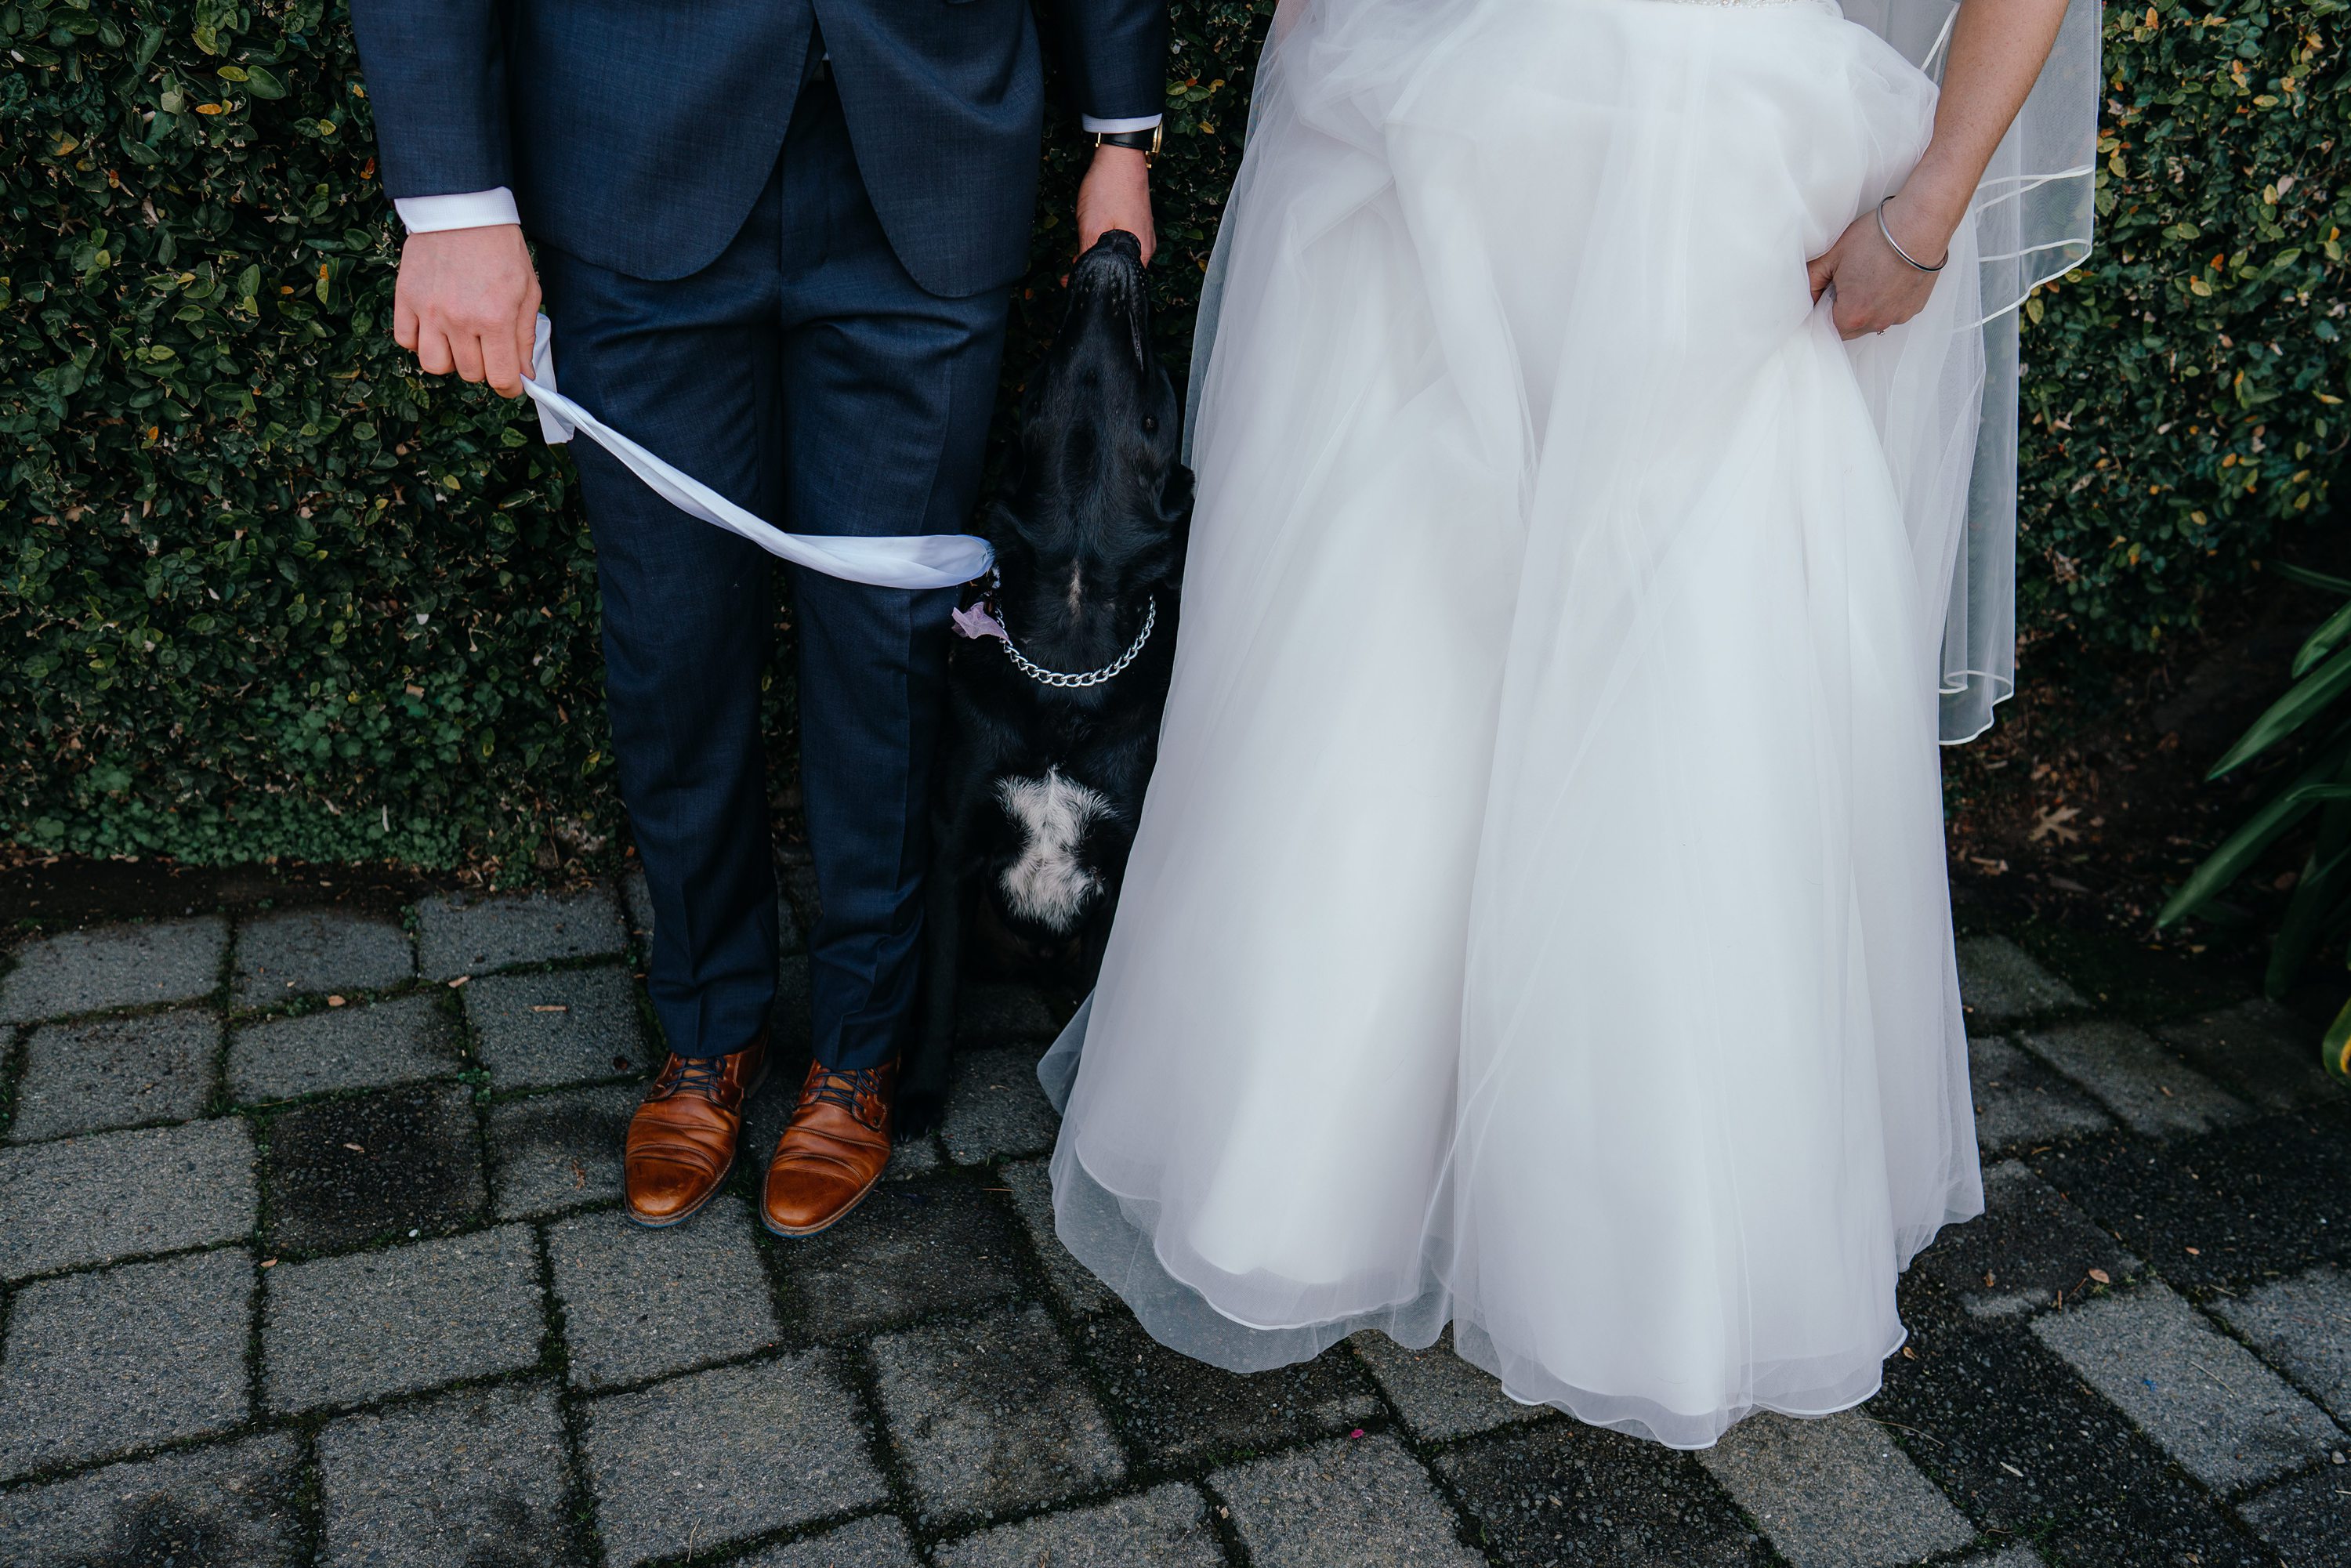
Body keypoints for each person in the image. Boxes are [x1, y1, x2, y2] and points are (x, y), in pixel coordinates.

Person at [1040, 0, 2099, 1447]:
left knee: (1675, 657)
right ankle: (1323, 1161)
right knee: (1399, 627)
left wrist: (1928, 205)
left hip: (1718, 160)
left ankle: (1628, 1243)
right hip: (1443, 110)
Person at [349, 0, 1166, 1239]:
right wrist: (455, 199)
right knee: (670, 639)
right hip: (632, 146)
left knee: (888, 651)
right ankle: (707, 1028)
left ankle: (861, 1046)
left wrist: (1121, 133)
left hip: (930, 155)